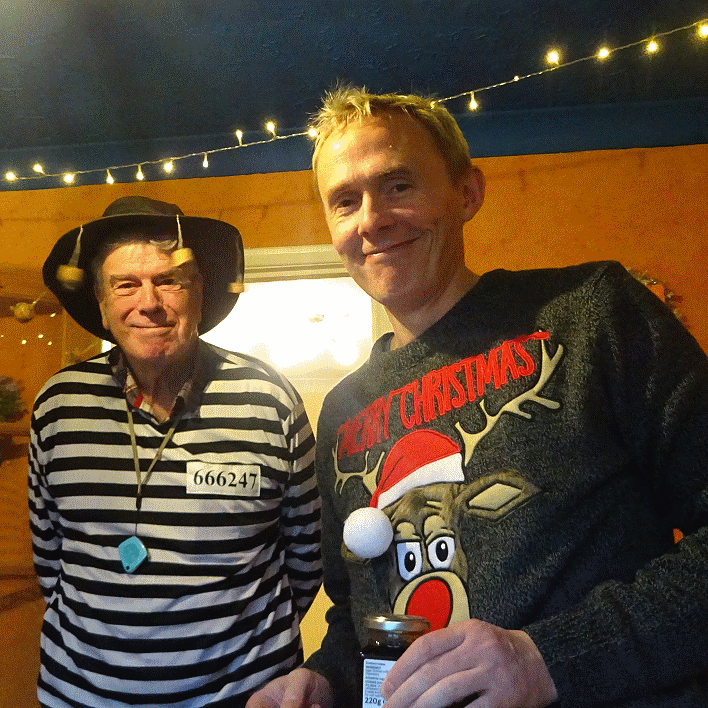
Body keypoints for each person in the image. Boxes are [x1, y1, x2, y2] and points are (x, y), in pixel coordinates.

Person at [247, 87, 708, 708]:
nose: (371, 220)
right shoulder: (343, 412)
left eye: (399, 185)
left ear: (466, 193)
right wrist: (325, 679)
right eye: (345, 201)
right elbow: (358, 614)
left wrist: (547, 660)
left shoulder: (592, 313)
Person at [29, 196, 322, 708]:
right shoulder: (58, 405)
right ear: (101, 303)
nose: (149, 302)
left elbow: (306, 558)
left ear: (199, 293)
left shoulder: (269, 399)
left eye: (169, 281)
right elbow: (50, 559)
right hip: (81, 697)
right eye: (125, 285)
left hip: (244, 697)